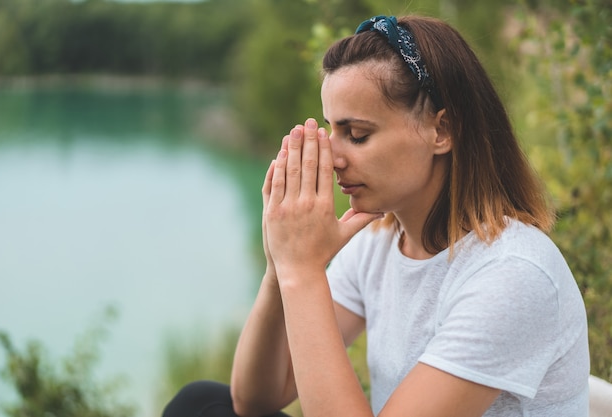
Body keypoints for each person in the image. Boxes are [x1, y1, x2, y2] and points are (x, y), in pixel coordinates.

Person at [162, 14, 590, 417]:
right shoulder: (381, 241)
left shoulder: (514, 275)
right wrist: (281, 264)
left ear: (442, 130)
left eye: (358, 134)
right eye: (332, 131)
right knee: (202, 403)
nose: (333, 157)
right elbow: (255, 397)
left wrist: (304, 271)